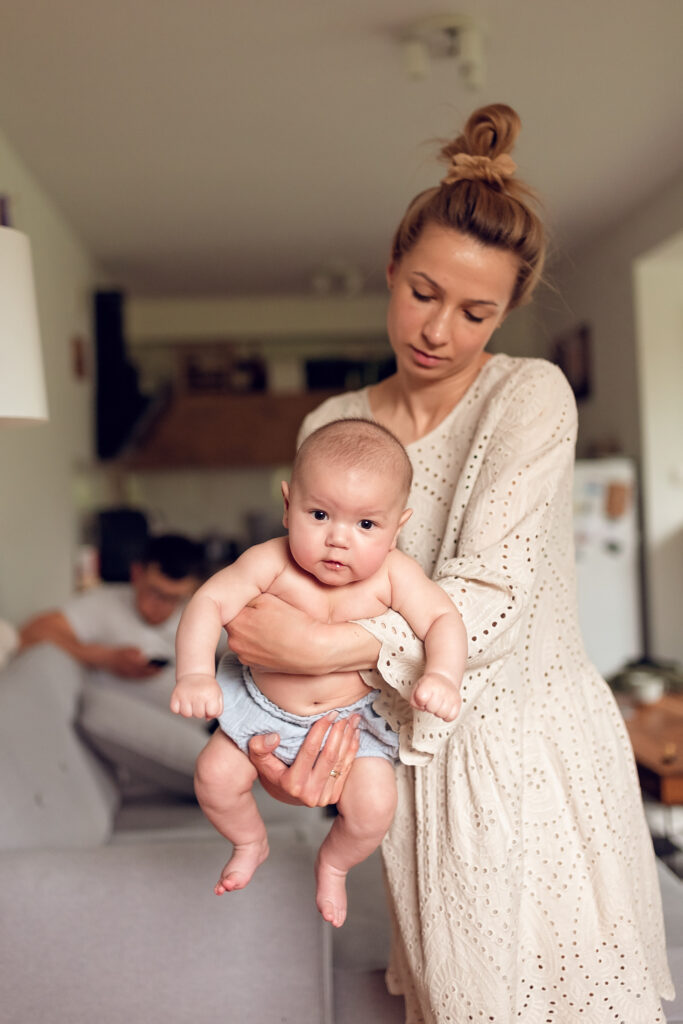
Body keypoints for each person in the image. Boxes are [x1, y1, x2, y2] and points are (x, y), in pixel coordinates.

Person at [195, 102, 674, 1020]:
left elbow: (489, 599)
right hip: (406, 771)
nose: (438, 331)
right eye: (422, 292)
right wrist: (291, 752)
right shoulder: (326, 430)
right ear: (389, 268)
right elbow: (295, 603)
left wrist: (311, 651)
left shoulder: (528, 397)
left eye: (475, 311)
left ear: (509, 312)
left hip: (533, 758)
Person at [171, 419, 466, 928]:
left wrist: (442, 674)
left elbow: (444, 618)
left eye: (366, 525)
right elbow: (208, 602)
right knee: (214, 778)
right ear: (288, 506)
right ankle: (249, 840)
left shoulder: (395, 574)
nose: (338, 540)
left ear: (398, 526)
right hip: (260, 710)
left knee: (375, 808)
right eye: (321, 514)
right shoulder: (270, 562)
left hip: (352, 724)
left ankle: (333, 865)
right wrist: (195, 674)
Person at [19, 533, 203, 682]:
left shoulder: (199, 613)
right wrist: (104, 657)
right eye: (155, 593)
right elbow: (32, 632)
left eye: (175, 598)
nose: (162, 606)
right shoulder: (104, 602)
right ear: (137, 574)